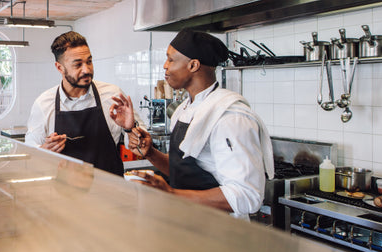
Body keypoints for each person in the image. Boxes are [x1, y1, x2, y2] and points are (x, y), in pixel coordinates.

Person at [110, 29, 274, 220]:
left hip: (222, 233)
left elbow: (248, 196)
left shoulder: (229, 116)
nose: (165, 66)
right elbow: (182, 171)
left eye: (170, 60)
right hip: (189, 223)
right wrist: (151, 153)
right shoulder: (184, 109)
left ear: (193, 65)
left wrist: (172, 195)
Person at [25, 31, 143, 176]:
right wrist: (44, 150)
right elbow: (31, 150)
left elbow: (140, 147)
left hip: (111, 191)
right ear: (59, 67)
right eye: (78, 65)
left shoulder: (112, 95)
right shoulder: (44, 103)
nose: (87, 70)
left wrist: (130, 129)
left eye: (89, 61)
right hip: (66, 195)